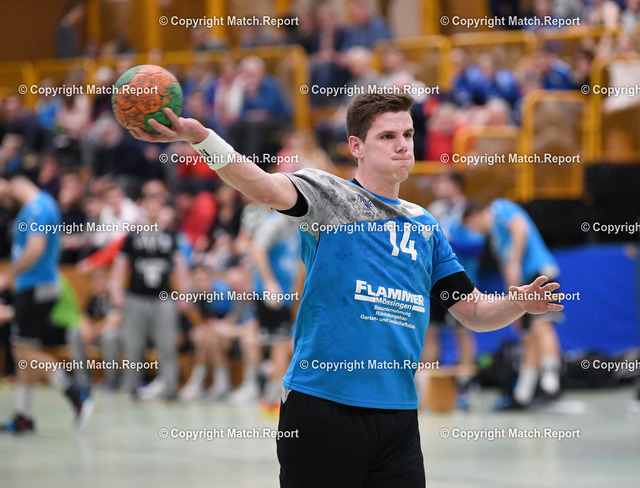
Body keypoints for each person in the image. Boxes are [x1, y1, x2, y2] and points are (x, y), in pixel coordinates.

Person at [130, 93, 563, 487]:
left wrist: (518, 303)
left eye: (408, 135)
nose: (403, 145)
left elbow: (473, 311)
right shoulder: (327, 196)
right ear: (357, 146)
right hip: (323, 407)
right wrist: (200, 137)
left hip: (397, 416)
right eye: (387, 136)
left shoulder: (426, 226)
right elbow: (260, 184)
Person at [0, 168, 93, 433]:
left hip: (38, 287)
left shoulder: (39, 209)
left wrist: (8, 275)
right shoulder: (34, 208)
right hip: (33, 287)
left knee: (24, 351)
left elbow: (36, 248)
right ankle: (24, 415)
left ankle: (75, 391)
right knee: (23, 349)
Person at [463, 199, 563, 410]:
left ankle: (551, 385)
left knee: (541, 325)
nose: (474, 232)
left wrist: (515, 260)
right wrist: (514, 306)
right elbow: (507, 271)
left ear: (474, 215)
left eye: (471, 227)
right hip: (523, 285)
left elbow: (520, 228)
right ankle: (523, 394)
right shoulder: (495, 241)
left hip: (539, 273)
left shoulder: (499, 208)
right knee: (527, 337)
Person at [109, 180, 189, 400]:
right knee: (133, 343)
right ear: (143, 206)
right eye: (150, 203)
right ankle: (131, 386)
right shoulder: (133, 234)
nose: (154, 208)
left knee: (167, 343)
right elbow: (120, 262)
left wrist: (183, 293)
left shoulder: (169, 235)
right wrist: (116, 290)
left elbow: (179, 264)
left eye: (158, 204)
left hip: (163, 297)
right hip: (136, 296)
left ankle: (170, 386)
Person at [421, 173, 486, 409]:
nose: (438, 186)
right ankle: (425, 389)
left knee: (462, 332)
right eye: (437, 181)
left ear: (456, 185)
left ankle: (465, 387)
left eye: (443, 181)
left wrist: (447, 240)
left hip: (461, 282)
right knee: (430, 331)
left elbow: (476, 246)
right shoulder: (435, 210)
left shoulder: (470, 210)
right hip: (434, 283)